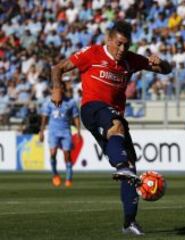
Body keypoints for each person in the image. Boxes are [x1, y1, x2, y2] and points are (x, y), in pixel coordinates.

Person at [51, 21, 171, 235]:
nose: (122, 49)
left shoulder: (131, 59)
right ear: (109, 40)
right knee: (116, 130)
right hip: (92, 108)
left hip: (115, 115)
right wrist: (57, 89)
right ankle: (120, 164)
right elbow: (57, 68)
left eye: (126, 45)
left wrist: (160, 62)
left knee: (130, 167)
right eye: (119, 44)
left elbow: (166, 71)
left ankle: (129, 222)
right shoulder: (92, 53)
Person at [39, 82, 81, 188]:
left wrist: (79, 131)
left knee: (67, 155)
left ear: (63, 88)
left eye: (60, 87)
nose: (58, 89)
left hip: (65, 131)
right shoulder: (48, 102)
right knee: (52, 153)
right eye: (55, 87)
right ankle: (55, 175)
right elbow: (44, 117)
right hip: (53, 131)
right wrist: (41, 131)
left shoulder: (71, 102)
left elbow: (76, 117)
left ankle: (69, 178)